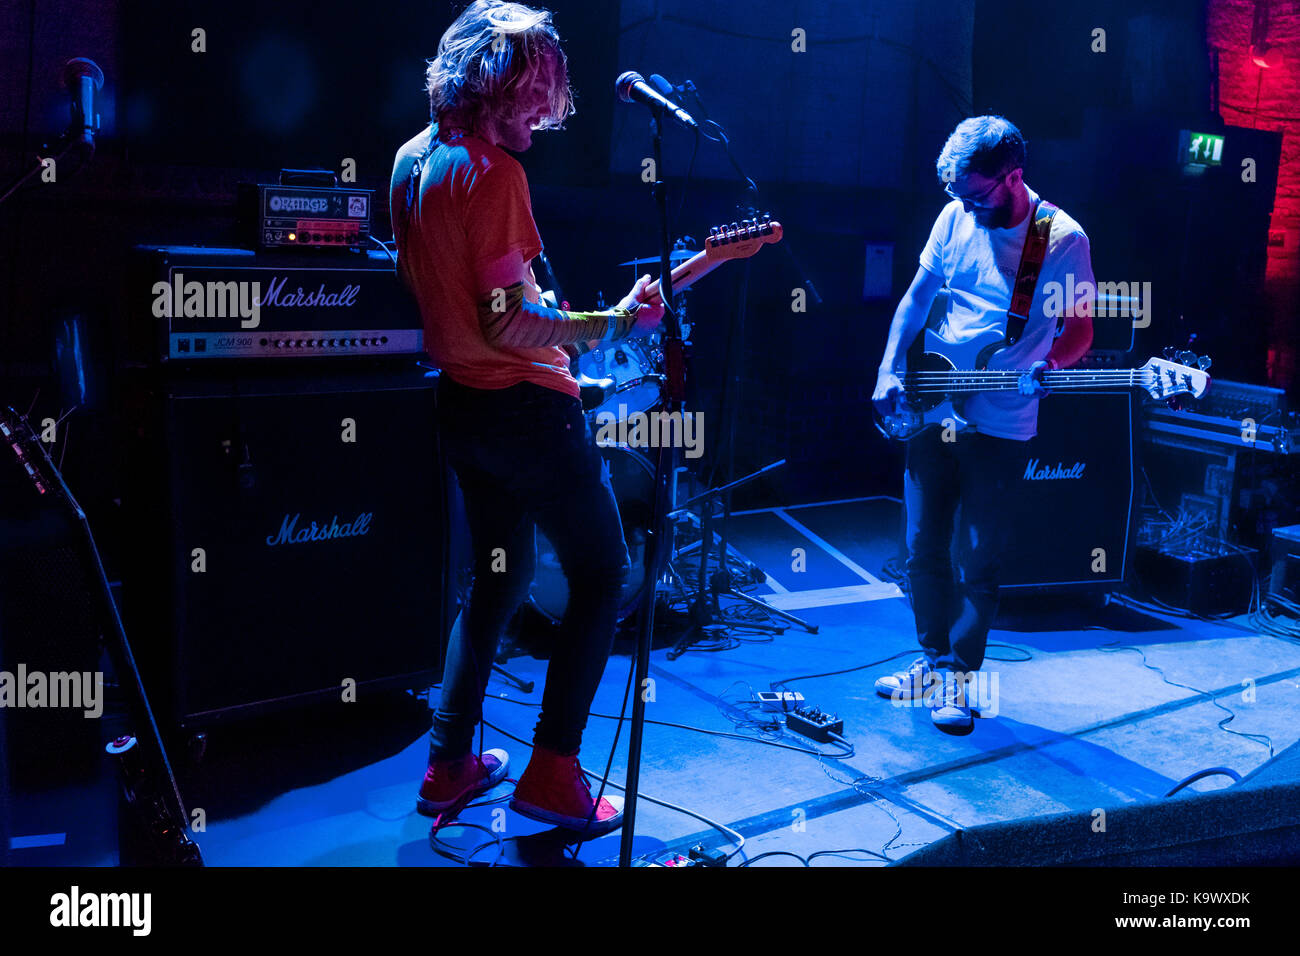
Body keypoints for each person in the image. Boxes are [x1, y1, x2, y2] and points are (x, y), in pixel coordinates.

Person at [390, 0, 664, 833]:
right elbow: (511, 321)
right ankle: (552, 774)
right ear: (498, 87)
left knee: (498, 581)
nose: (545, 116)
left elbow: (473, 299)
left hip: (462, 407)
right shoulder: (493, 174)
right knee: (603, 574)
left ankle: (447, 766)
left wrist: (557, 323)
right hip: (525, 414)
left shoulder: (412, 158)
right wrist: (615, 323)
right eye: (534, 95)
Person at [871, 116, 1094, 732]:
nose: (967, 208)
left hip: (1002, 418)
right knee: (921, 548)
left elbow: (1080, 331)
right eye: (958, 197)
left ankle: (962, 681)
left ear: (1013, 177)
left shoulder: (1062, 240)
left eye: (977, 195)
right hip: (936, 401)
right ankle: (931, 661)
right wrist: (891, 367)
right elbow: (917, 298)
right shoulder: (955, 218)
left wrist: (1048, 364)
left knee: (977, 559)